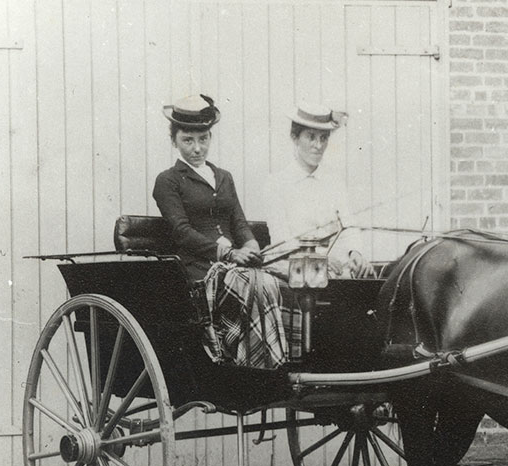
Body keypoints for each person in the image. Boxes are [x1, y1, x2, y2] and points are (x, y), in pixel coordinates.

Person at [152, 94, 300, 369]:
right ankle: (256, 365)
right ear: (174, 141)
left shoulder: (224, 176)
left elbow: (239, 221)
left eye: (203, 138)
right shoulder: (169, 181)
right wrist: (230, 253)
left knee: (285, 281)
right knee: (258, 284)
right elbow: (182, 232)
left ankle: (285, 362)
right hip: (199, 268)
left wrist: (252, 246)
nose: (197, 148)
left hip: (234, 265)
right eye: (188, 140)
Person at [261, 102, 371, 279]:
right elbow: (282, 242)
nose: (318, 145)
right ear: (295, 137)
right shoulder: (276, 184)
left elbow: (349, 226)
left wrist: (355, 252)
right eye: (311, 137)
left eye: (323, 138)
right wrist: (320, 260)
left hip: (337, 269)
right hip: (296, 269)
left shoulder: (335, 182)